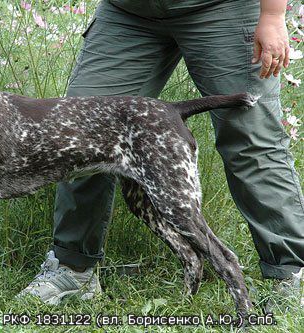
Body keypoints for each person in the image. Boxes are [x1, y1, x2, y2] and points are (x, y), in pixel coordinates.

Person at [19, 0, 304, 311]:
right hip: (128, 12)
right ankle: (72, 269)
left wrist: (273, 14)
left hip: (222, 7)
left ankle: (290, 274)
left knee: (251, 140)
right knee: (75, 133)